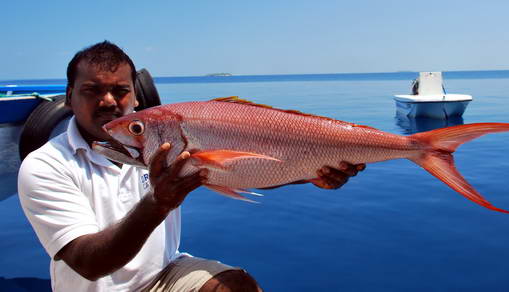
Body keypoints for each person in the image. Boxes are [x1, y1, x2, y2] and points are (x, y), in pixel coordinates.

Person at [18, 41, 365, 291]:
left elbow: (248, 165)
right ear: (69, 94)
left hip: (163, 274)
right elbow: (90, 265)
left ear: (136, 97)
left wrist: (312, 173)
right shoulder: (46, 166)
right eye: (92, 90)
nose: (108, 101)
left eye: (120, 91)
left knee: (238, 287)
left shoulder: (157, 140)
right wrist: (157, 205)